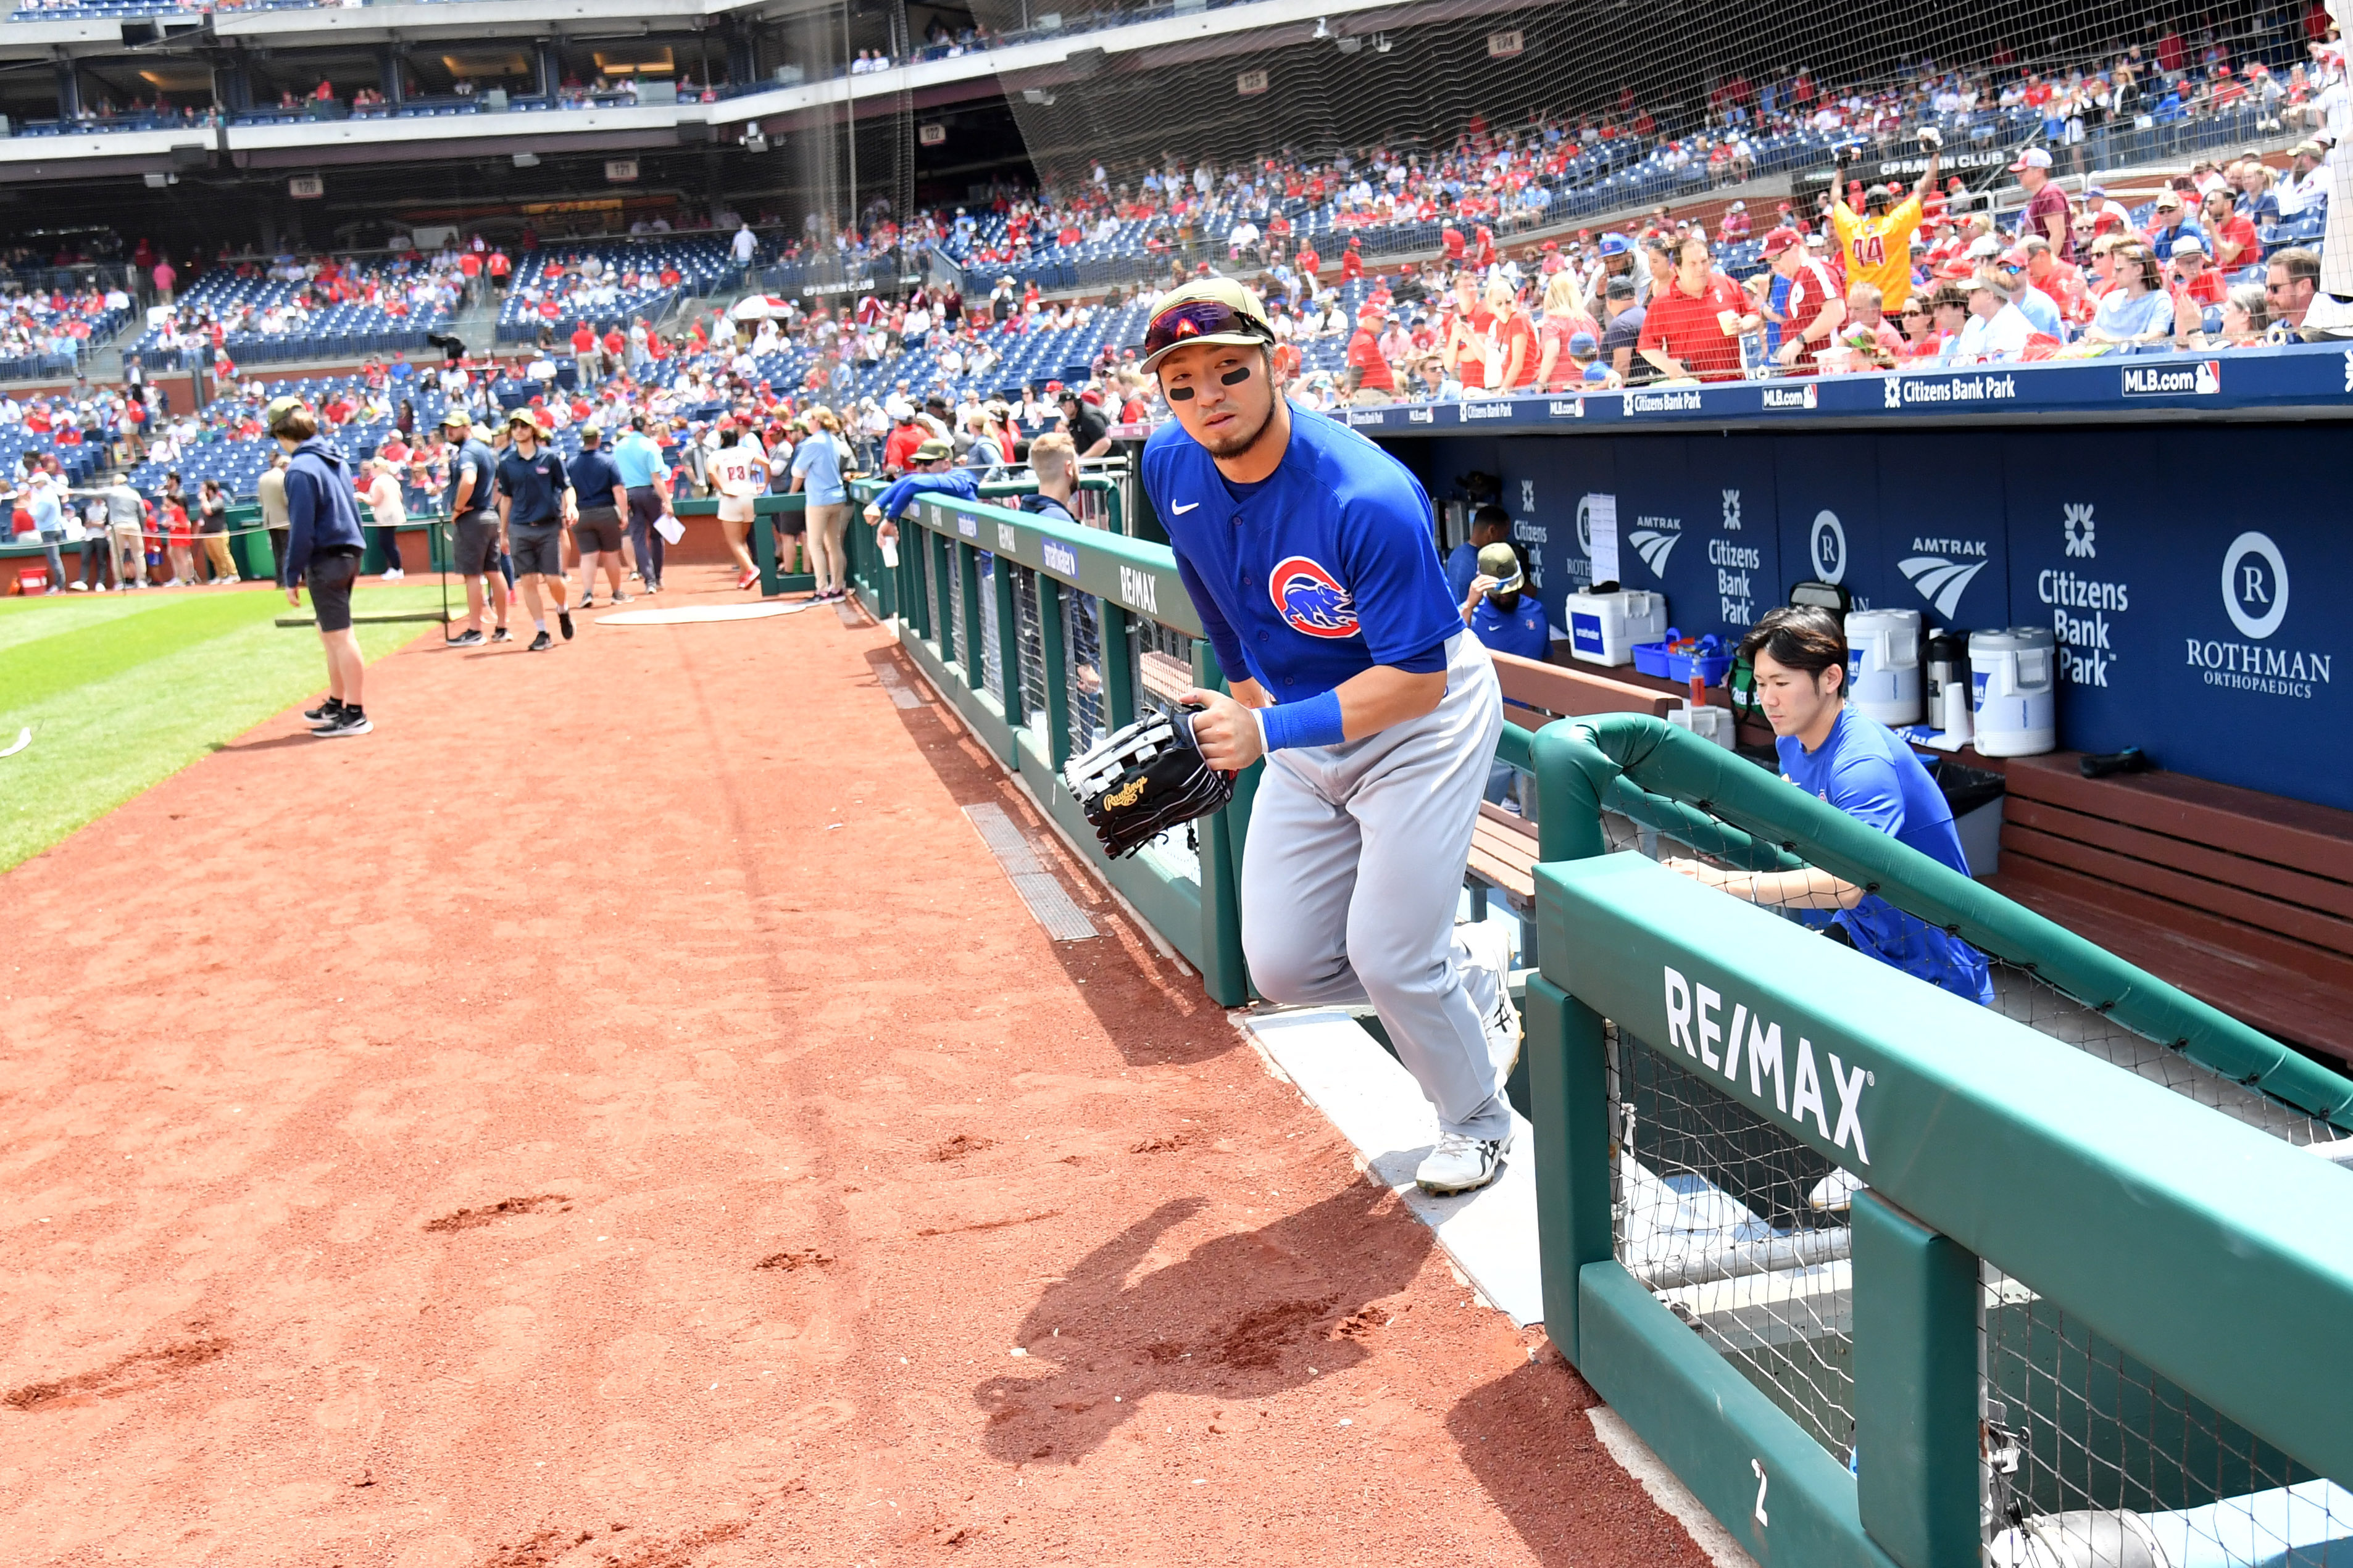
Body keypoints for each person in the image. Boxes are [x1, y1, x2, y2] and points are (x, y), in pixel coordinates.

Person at [1136, 277, 1518, 1197]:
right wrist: (1240, 706)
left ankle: (1475, 1118)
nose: (1206, 398)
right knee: (1287, 967)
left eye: (1229, 370)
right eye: (1181, 384)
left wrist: (1265, 729)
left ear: (1278, 364)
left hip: (1421, 719)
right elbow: (1212, 588)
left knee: (1391, 956)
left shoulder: (1367, 493)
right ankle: (1464, 983)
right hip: (1301, 721)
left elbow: (1417, 677)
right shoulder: (1169, 463)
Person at [1664, 606, 1991, 1004]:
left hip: (1936, 967)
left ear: (1832, 678)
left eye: (1781, 683)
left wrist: (1721, 882)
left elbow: (1848, 885)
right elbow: (1790, 811)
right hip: (1866, 935)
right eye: (1762, 683)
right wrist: (1723, 835)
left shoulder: (1862, 764)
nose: (1768, 699)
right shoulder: (1792, 740)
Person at [269, 396, 372, 737]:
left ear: (282, 435)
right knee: (329, 632)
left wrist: (290, 574)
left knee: (340, 636)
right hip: (348, 550)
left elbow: (302, 528)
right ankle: (338, 701)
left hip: (327, 556)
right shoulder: (335, 459)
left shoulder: (299, 469)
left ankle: (355, 712)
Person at [1459, 541, 1549, 812]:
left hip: (1530, 731)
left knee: (1535, 815)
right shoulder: (1469, 615)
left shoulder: (1536, 611)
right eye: (1500, 591)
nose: (1507, 596)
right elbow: (1452, 660)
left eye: (1512, 588)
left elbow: (1547, 667)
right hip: (1487, 731)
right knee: (1479, 813)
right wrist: (1469, 606)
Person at [1827, 132, 1941, 316]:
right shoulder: (1894, 224)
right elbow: (1923, 191)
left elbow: (1835, 199)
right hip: (1894, 310)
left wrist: (1840, 169)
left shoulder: (1853, 228)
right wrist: (1935, 155)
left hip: (1861, 314)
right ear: (1887, 205)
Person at [495, 408, 577, 652]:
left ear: (533, 429)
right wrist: (503, 532)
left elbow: (566, 487)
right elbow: (506, 498)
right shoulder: (507, 463)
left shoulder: (549, 458)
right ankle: (542, 631)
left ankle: (563, 610)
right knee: (528, 581)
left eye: (524, 425)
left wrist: (571, 505)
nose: (519, 430)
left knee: (554, 579)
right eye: (515, 426)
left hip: (548, 527)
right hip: (520, 528)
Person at [1639, 234, 1754, 381]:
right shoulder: (1662, 301)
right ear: (1678, 269)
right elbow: (1646, 346)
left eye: (1704, 261)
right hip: (1690, 392)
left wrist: (1742, 325)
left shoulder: (1728, 285)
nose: (1701, 268)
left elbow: (1753, 314)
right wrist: (1670, 366)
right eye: (1692, 264)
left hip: (1732, 386)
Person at [442, 413, 510, 647]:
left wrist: (458, 508)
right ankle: (502, 627)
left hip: (472, 518)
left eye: (454, 427)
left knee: (472, 574)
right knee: (493, 571)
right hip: (490, 515)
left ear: (467, 428)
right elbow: (499, 485)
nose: (449, 431)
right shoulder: (485, 451)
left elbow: (469, 479)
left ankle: (475, 630)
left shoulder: (469, 451)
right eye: (447, 428)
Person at [863, 436, 976, 546]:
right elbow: (910, 479)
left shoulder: (961, 478)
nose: (921, 467)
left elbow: (915, 484)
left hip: (977, 553)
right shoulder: (926, 478)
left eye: (927, 462)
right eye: (918, 462)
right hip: (954, 546)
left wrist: (891, 519)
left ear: (946, 463)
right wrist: (878, 504)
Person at [791, 406, 852, 603]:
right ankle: (838, 587)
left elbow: (797, 471)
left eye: (810, 419)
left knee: (815, 544)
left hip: (819, 500)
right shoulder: (833, 439)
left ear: (817, 420)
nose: (808, 422)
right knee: (833, 544)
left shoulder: (813, 442)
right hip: (837, 497)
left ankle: (822, 590)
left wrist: (792, 491)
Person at [566, 424, 630, 609]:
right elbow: (619, 490)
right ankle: (617, 593)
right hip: (606, 512)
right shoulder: (608, 461)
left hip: (581, 514)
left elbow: (565, 490)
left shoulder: (571, 463)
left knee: (587, 556)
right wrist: (624, 514)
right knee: (611, 555)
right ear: (598, 439)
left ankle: (587, 593)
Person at [614, 413, 673, 594]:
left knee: (638, 538)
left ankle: (649, 581)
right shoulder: (650, 445)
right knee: (656, 535)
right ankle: (657, 576)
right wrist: (668, 502)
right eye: (650, 424)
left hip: (629, 494)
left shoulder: (620, 446)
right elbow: (657, 477)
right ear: (642, 426)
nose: (653, 427)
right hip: (650, 492)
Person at [707, 424, 770, 591]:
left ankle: (751, 569)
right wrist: (765, 484)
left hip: (731, 499)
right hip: (749, 497)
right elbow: (766, 463)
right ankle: (744, 577)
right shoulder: (746, 451)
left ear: (722, 440)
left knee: (734, 542)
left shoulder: (716, 455)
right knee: (741, 540)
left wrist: (723, 488)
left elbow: (711, 473)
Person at [2010, 146, 2075, 260]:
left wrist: (2046, 265)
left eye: (2023, 171)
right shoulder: (2041, 196)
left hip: (2057, 272)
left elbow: (2058, 235)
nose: (2019, 176)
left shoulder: (2050, 194)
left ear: (2040, 172)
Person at [1443, 503, 1511, 605]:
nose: (1504, 541)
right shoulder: (1476, 563)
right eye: (1504, 535)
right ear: (1492, 531)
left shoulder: (1456, 555)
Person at [360, 458, 406, 581]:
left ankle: (397, 569)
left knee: (387, 542)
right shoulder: (391, 480)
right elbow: (400, 497)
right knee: (388, 542)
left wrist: (363, 497)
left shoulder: (379, 482)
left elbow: (375, 502)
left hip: (387, 516)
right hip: (393, 514)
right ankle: (396, 569)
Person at [258, 453, 291, 585]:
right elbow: (287, 500)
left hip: (269, 520)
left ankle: (279, 579)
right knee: (286, 550)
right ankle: (286, 580)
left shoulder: (263, 477)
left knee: (277, 551)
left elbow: (260, 500)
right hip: (284, 520)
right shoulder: (283, 478)